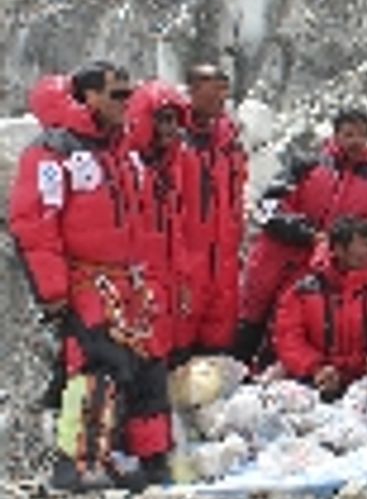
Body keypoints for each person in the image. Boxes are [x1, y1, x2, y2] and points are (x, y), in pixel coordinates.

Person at [9, 62, 170, 491]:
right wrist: (53, 292)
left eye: (129, 93)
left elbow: (145, 225)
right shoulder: (53, 152)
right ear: (89, 97)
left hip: (131, 284)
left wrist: (154, 280)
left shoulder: (124, 151)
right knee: (99, 369)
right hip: (87, 283)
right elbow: (35, 224)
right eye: (118, 94)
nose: (127, 102)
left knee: (148, 368)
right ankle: (79, 465)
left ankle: (149, 460)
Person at [237, 107, 367, 363]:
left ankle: (270, 380)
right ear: (335, 136)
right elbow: (268, 207)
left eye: (361, 135)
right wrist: (306, 232)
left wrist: (342, 241)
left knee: (291, 325)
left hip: (326, 264)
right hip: (277, 253)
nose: (355, 141)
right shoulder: (307, 164)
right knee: (250, 317)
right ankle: (233, 371)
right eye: (348, 134)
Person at [274, 218, 367, 404]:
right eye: (362, 244)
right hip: (322, 377)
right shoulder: (303, 292)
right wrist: (315, 367)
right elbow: (288, 338)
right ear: (339, 249)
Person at [126, 80, 196, 365]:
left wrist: (183, 278)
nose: (171, 128)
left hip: (167, 276)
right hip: (138, 277)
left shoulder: (170, 168)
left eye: (175, 121)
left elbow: (177, 230)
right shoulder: (128, 165)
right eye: (163, 120)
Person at [182, 64, 246, 355]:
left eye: (224, 89)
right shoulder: (173, 138)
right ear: (192, 91)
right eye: (214, 89)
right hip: (185, 259)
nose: (221, 97)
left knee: (216, 349)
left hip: (223, 257)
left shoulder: (229, 141)